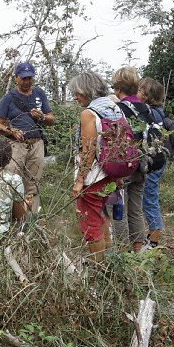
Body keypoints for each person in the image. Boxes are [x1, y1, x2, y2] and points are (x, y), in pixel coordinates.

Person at [69, 71, 126, 255]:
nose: (75, 97)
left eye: (77, 92)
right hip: (109, 175)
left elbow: (88, 150)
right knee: (99, 218)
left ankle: (99, 267)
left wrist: (80, 180)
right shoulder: (114, 108)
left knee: (90, 224)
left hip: (93, 178)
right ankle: (109, 262)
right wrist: (117, 177)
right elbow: (121, 145)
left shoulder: (89, 114)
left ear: (87, 90)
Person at [0, 62, 55, 214]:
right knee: (11, 181)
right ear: (16, 78)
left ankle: (30, 219)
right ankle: (8, 217)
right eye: (23, 78)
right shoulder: (8, 98)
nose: (27, 81)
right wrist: (11, 131)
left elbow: (52, 120)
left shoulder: (39, 94)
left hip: (37, 144)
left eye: (30, 78)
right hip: (15, 145)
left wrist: (43, 117)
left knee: (33, 184)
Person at [111, 66, 151, 252]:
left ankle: (123, 254)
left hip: (125, 165)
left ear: (119, 89)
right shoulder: (146, 108)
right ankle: (138, 253)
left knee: (119, 210)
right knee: (135, 210)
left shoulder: (118, 109)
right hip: (143, 164)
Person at [138, 77, 168, 249]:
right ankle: (151, 236)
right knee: (149, 197)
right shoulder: (160, 112)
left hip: (152, 160)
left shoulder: (149, 112)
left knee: (150, 198)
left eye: (140, 90)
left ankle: (153, 241)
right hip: (159, 159)